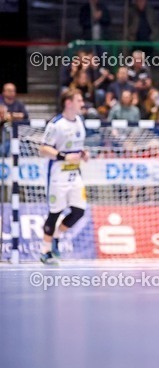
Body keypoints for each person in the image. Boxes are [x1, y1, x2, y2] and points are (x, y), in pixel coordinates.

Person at [38, 90, 90, 264]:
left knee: (79, 211)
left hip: (75, 174)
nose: (82, 103)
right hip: (57, 175)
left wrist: (83, 153)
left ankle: (57, 235)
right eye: (79, 100)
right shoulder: (56, 125)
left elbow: (77, 146)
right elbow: (43, 149)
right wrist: (63, 156)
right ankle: (45, 251)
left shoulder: (80, 122)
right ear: (68, 103)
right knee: (55, 212)